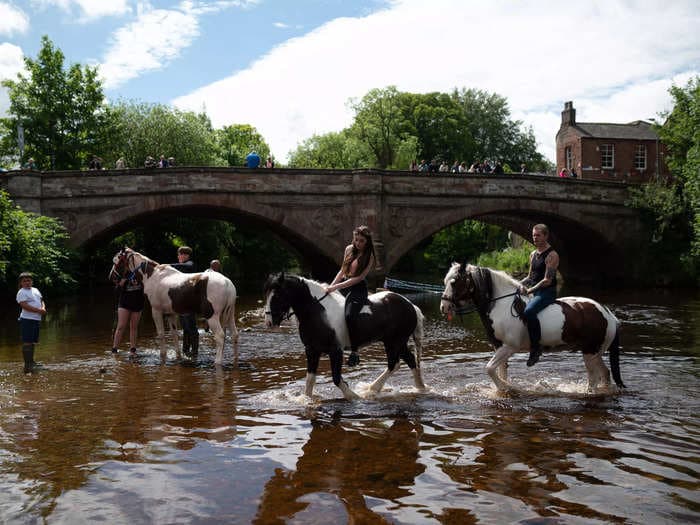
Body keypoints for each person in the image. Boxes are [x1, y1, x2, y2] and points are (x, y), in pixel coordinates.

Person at [324, 225, 376, 366]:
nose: (358, 243)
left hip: (357, 289)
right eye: (356, 240)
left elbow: (358, 278)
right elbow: (342, 271)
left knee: (349, 316)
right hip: (344, 285)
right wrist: (331, 286)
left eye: (361, 241)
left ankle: (355, 352)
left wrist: (336, 287)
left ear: (367, 242)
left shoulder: (369, 256)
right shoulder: (348, 249)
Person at [519, 224, 560, 367]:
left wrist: (529, 291)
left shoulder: (552, 255)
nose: (535, 238)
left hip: (547, 293)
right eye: (533, 235)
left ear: (546, 236)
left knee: (529, 312)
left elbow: (547, 280)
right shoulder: (532, 254)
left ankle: (536, 348)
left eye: (538, 235)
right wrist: (517, 284)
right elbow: (530, 277)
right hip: (536, 292)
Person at [110, 266, 145, 355]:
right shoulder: (123, 273)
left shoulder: (140, 272)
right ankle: (114, 349)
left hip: (138, 303)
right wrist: (121, 283)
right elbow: (116, 291)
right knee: (121, 326)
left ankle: (133, 350)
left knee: (134, 327)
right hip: (124, 303)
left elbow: (147, 288)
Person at [170, 246, 198, 356]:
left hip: (190, 302)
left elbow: (186, 266)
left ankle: (195, 352)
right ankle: (186, 351)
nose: (178, 257)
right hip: (182, 302)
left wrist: (168, 266)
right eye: (178, 254)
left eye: (180, 254)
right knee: (185, 328)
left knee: (191, 327)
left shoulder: (190, 264)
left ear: (185, 255)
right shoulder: (181, 266)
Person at [16, 272, 46, 373]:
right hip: (27, 319)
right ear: (21, 283)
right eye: (24, 281)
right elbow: (24, 305)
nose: (27, 282)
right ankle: (27, 365)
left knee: (33, 341)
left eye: (29, 280)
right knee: (27, 342)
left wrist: (43, 308)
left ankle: (32, 362)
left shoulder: (35, 290)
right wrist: (38, 311)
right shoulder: (21, 292)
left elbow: (41, 300)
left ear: (32, 281)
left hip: (36, 319)